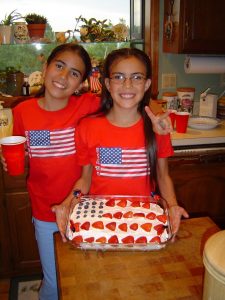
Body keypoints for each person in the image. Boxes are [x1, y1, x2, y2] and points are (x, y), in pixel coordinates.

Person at [1, 44, 173, 300]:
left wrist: (157, 116)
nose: (63, 77)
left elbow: (130, 100)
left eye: (74, 73)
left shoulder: (88, 108)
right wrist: (11, 160)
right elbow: (23, 151)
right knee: (59, 279)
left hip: (90, 211)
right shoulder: (22, 112)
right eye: (59, 66)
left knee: (112, 279)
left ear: (82, 83)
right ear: (44, 67)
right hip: (48, 210)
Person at [54, 47, 189, 244]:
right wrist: (68, 202)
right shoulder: (87, 127)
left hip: (145, 220)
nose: (127, 85)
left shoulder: (156, 128)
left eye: (137, 77)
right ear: (107, 84)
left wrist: (173, 205)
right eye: (118, 77)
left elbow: (163, 175)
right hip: (100, 220)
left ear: (146, 84)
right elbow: (85, 179)